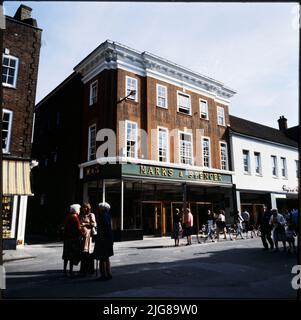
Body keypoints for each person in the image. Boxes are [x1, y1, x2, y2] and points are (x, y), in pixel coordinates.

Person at [93, 202, 114, 280]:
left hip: (103, 239)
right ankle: (108, 273)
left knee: (102, 257)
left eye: (99, 208)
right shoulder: (107, 216)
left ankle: (103, 275)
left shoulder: (103, 216)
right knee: (106, 257)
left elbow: (104, 229)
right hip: (107, 239)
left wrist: (100, 234)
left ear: (102, 209)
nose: (98, 209)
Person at [62, 204, 83, 277]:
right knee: (72, 256)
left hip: (67, 238)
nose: (80, 210)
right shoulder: (75, 217)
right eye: (79, 209)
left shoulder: (68, 217)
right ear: (76, 210)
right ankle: (70, 271)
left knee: (66, 256)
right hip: (73, 239)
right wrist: (82, 234)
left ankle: (64, 270)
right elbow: (78, 228)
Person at [79, 203, 97, 276]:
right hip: (82, 235)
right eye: (83, 207)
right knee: (83, 251)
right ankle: (83, 269)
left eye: (85, 207)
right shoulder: (82, 216)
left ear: (88, 208)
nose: (84, 209)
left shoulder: (91, 215)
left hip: (88, 235)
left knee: (87, 251)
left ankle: (89, 269)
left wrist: (84, 224)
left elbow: (93, 224)